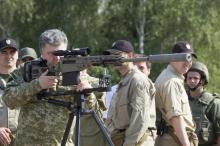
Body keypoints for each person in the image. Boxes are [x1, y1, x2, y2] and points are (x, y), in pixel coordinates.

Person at [2, 29, 96, 145]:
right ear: (41, 52)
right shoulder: (26, 70)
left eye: (61, 53)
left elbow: (92, 111)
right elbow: (8, 100)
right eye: (51, 54)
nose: (57, 58)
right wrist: (37, 85)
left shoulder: (76, 73)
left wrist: (88, 93)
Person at [104, 40, 155, 146]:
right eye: (111, 55)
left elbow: (139, 121)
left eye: (117, 55)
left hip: (137, 142)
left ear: (130, 55)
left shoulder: (137, 80)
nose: (113, 58)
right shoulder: (125, 80)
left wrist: (128, 144)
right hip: (124, 140)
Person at [154, 41, 198, 146]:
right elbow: (175, 117)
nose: (188, 62)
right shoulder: (171, 81)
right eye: (184, 57)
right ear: (173, 58)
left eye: (190, 58)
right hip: (174, 140)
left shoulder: (170, 77)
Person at [185, 61, 220, 146]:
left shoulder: (213, 103)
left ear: (202, 80)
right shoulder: (181, 99)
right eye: (189, 78)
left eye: (195, 78)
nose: (192, 81)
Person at [72, 69, 107, 146]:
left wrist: (89, 94)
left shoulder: (99, 82)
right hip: (67, 135)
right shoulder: (57, 80)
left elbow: (99, 111)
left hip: (88, 138)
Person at [0, 38, 20, 146]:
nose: (9, 56)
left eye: (12, 52)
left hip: (23, 139)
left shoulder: (27, 79)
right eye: (4, 52)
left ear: (18, 54)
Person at [134, 54, 156, 145]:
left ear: (149, 71)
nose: (137, 72)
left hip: (147, 138)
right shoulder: (117, 89)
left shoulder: (155, 89)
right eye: (135, 68)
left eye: (141, 68)